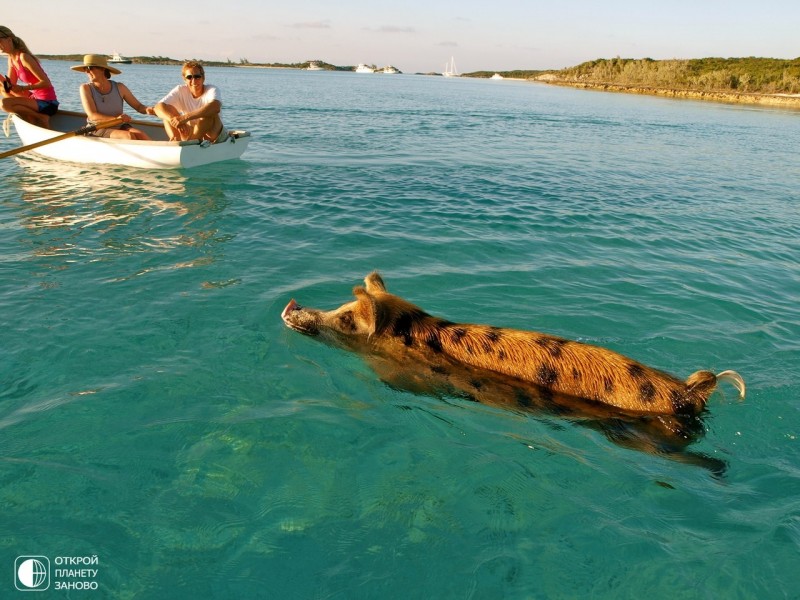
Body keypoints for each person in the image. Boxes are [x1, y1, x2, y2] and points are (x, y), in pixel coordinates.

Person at [72, 54, 154, 140]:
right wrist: (116, 119)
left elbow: (139, 107)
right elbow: (92, 116)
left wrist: (151, 110)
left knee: (141, 135)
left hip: (119, 125)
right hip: (97, 127)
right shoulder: (85, 88)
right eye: (85, 69)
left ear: (102, 69)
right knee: (128, 136)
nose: (87, 72)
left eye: (89, 68)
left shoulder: (120, 87)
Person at [0, 26, 59, 128]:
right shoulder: (11, 59)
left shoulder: (24, 57)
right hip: (34, 98)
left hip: (48, 102)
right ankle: (30, 117)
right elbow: (9, 87)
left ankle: (40, 117)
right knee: (2, 90)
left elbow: (46, 83)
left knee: (4, 104)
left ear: (9, 40)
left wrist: (23, 88)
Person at [154, 61, 226, 143]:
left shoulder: (212, 89)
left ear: (203, 78)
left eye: (197, 76)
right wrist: (174, 120)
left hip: (214, 136)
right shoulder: (180, 90)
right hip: (190, 132)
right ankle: (175, 141)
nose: (194, 80)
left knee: (208, 115)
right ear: (184, 79)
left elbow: (215, 107)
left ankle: (191, 143)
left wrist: (184, 118)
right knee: (167, 110)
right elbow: (157, 108)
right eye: (189, 77)